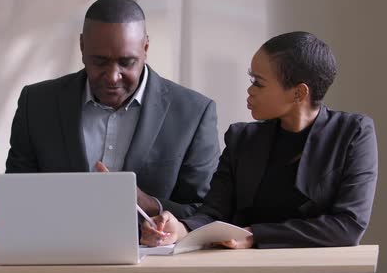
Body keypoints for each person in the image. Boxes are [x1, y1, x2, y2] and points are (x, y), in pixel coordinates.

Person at [141, 31, 378, 248]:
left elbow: (348, 227)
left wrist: (256, 235)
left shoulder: (353, 133)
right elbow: (213, 214)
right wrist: (181, 229)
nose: (250, 90)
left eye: (258, 82)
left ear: (299, 93)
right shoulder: (242, 139)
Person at [6, 0, 220, 218]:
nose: (112, 77)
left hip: (152, 251)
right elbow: (14, 198)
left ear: (145, 47)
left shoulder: (194, 114)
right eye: (100, 62)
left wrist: (150, 204)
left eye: (126, 63)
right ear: (81, 46)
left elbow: (205, 212)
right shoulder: (37, 104)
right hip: (53, 249)